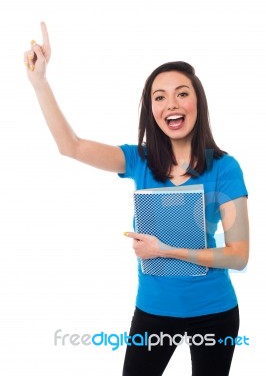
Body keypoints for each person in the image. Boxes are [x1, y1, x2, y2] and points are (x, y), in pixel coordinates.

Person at [24, 22, 249, 376]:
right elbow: (72, 146)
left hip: (215, 312)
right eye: (160, 97)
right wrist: (40, 82)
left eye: (181, 93)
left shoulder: (225, 168)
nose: (171, 104)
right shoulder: (138, 160)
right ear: (151, 110)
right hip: (154, 311)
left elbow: (238, 256)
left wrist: (164, 251)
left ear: (197, 101)